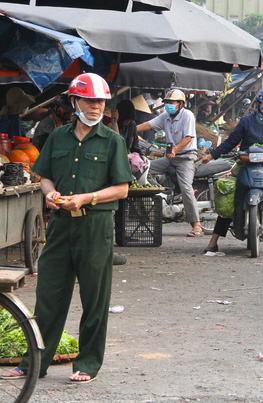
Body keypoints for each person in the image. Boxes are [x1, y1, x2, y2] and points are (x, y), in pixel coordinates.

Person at [1, 73, 132, 383]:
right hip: (60, 226)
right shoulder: (57, 138)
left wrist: (88, 198)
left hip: (95, 227)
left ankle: (87, 363)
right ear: (75, 103)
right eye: (89, 100)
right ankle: (34, 363)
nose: (96, 106)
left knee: (94, 299)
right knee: (49, 296)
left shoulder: (112, 140)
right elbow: (43, 174)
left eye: (100, 101)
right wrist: (49, 193)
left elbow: (122, 189)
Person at [198, 89, 263, 255]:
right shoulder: (247, 121)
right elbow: (232, 142)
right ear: (258, 105)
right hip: (245, 165)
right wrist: (211, 155)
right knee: (230, 196)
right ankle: (213, 242)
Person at [136, 89, 203, 237]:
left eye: (171, 102)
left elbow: (188, 138)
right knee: (144, 168)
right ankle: (160, 197)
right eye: (166, 102)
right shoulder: (165, 116)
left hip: (186, 157)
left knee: (186, 188)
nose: (168, 105)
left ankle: (196, 225)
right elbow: (147, 125)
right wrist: (129, 130)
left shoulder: (187, 115)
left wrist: (175, 149)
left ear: (180, 104)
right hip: (170, 157)